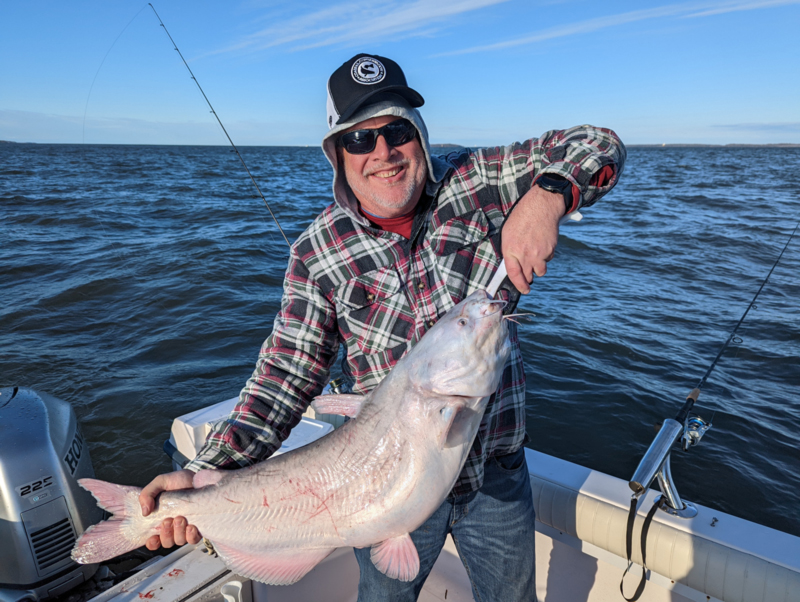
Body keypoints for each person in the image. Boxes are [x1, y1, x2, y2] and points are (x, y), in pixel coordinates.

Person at [138, 54, 626, 601]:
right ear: (336, 154)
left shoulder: (475, 182)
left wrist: (548, 194)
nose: (383, 154)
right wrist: (207, 471)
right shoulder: (317, 251)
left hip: (494, 472)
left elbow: (598, 143)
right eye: (359, 140)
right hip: (381, 486)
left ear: (418, 133)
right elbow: (284, 375)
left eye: (396, 130)